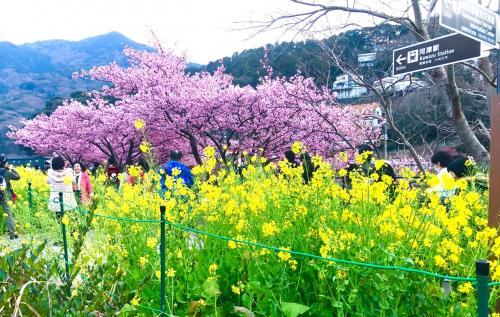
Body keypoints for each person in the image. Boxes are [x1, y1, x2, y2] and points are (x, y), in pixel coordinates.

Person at [0, 154, 20, 239]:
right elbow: (17, 177)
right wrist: (12, 169)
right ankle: (12, 234)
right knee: (9, 214)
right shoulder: (6, 172)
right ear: (4, 163)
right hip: (5, 194)